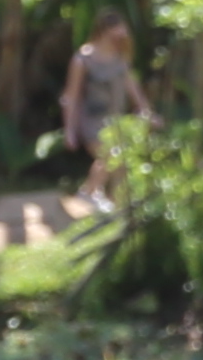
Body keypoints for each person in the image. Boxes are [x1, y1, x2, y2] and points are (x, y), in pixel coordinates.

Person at [60, 14, 143, 214]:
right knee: (110, 157)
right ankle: (88, 192)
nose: (123, 34)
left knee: (120, 166)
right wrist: (69, 130)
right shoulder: (84, 58)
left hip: (116, 120)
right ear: (105, 31)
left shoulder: (120, 57)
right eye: (119, 30)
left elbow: (132, 87)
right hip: (92, 119)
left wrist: (144, 110)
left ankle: (117, 207)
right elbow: (70, 96)